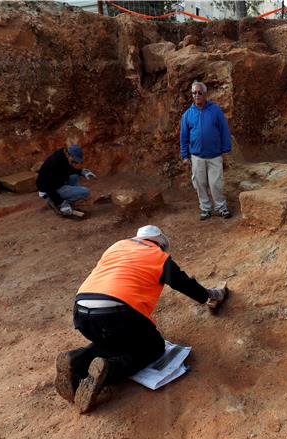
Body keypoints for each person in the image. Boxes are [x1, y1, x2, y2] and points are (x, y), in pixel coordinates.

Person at [55, 225, 227, 413]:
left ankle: (76, 360)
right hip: (117, 312)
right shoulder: (159, 257)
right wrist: (211, 295)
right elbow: (185, 285)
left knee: (116, 341)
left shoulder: (117, 246)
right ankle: (108, 371)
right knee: (153, 347)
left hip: (81, 311)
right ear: (160, 243)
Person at [180, 81, 233, 221]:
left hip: (214, 155)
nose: (197, 95)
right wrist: (185, 156)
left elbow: (224, 130)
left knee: (216, 183)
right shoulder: (187, 115)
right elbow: (184, 136)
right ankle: (205, 209)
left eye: (199, 92)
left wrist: (226, 148)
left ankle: (221, 208)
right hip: (197, 156)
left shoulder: (215, 110)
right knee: (199, 184)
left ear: (205, 94)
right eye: (194, 93)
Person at [36, 143, 96, 216]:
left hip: (56, 183)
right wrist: (61, 203)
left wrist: (82, 172)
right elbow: (48, 186)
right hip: (49, 190)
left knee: (75, 176)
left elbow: (67, 169)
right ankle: (59, 204)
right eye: (74, 160)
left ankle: (67, 201)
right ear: (69, 155)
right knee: (86, 192)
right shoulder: (55, 162)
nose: (75, 163)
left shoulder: (63, 155)